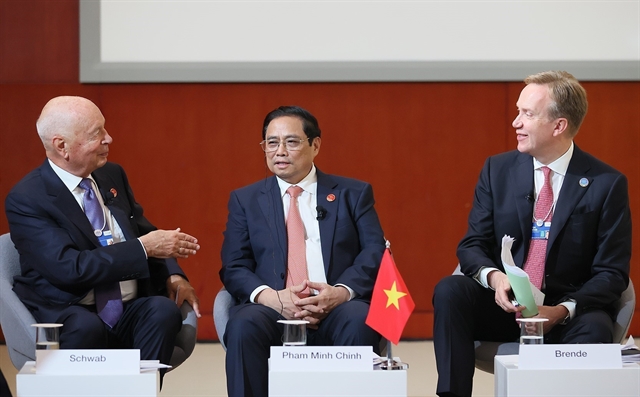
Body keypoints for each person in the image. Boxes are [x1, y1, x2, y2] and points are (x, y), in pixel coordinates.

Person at [432, 71, 631, 397]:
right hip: (505, 307)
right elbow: (472, 245)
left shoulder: (606, 184)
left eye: (527, 114)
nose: (515, 122)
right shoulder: (497, 170)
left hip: (565, 312)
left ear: (558, 126)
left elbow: (611, 273)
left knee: (596, 327)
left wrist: (560, 311)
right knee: (450, 291)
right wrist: (496, 279)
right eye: (517, 111)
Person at [5, 96, 202, 383]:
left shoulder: (110, 174)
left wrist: (174, 274)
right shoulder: (28, 198)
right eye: (97, 133)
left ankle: (139, 390)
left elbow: (143, 229)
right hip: (70, 309)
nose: (109, 138)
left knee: (162, 311)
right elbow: (70, 269)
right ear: (62, 146)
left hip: (127, 305)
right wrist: (143, 248)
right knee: (87, 328)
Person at [220, 105, 385, 397]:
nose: (279, 151)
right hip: (272, 309)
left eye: (291, 141)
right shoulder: (245, 200)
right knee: (243, 325)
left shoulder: (353, 193)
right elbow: (234, 265)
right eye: (272, 142)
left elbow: (374, 251)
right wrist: (271, 297)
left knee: (360, 320)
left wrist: (342, 292)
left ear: (315, 145)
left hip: (337, 306)